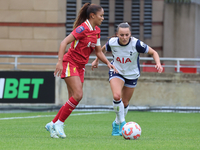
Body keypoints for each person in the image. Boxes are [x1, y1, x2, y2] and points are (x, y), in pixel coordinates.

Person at [45, 3, 117, 139]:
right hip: (70, 62)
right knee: (78, 95)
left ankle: (52, 123)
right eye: (101, 16)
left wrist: (108, 63)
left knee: (73, 98)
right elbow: (63, 43)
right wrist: (59, 62)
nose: (103, 18)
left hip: (80, 66)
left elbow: (97, 51)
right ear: (92, 16)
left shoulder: (96, 30)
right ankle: (59, 124)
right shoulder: (82, 29)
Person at [92, 22, 163, 136]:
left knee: (125, 103)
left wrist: (158, 63)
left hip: (132, 75)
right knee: (116, 96)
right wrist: (96, 60)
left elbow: (153, 52)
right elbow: (102, 50)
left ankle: (115, 124)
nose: (124, 38)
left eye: (126, 35)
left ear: (130, 34)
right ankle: (123, 124)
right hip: (117, 71)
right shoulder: (112, 42)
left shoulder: (137, 44)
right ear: (117, 34)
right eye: (121, 35)